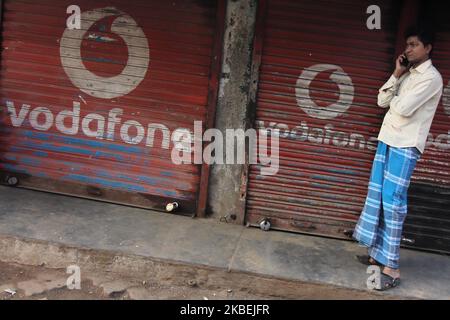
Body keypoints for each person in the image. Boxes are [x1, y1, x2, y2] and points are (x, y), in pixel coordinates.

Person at [352, 26, 443, 291]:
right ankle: (376, 255)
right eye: (407, 45)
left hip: (405, 146)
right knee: (379, 197)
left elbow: (402, 108)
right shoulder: (406, 74)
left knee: (393, 204)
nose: (408, 49)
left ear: (428, 48)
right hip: (388, 140)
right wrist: (396, 74)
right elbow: (382, 101)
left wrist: (396, 93)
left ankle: (392, 268)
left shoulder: (431, 78)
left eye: (414, 44)